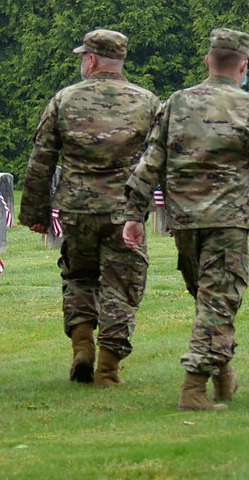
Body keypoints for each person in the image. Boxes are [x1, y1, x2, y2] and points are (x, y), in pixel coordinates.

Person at [122, 28, 249, 412]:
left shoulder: (176, 104)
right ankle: (194, 387)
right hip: (227, 222)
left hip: (184, 222)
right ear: (243, 66)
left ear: (207, 62)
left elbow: (150, 162)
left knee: (209, 301)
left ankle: (222, 372)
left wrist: (134, 214)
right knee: (217, 303)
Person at [22, 28, 157, 387]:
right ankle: (108, 368)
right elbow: (162, 159)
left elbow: (41, 159)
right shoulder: (147, 102)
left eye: (83, 56)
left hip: (76, 210)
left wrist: (35, 213)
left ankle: (82, 345)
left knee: (79, 277)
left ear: (92, 60)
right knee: (122, 286)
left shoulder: (64, 100)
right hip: (124, 212)